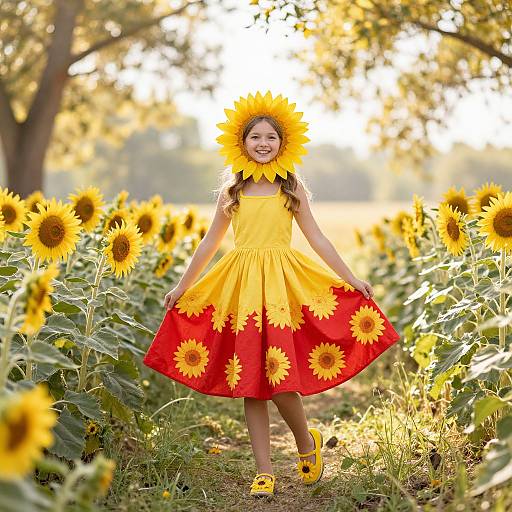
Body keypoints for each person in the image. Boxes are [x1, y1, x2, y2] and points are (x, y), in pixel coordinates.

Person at [143, 91, 400, 499]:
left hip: (282, 289)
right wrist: (182, 286)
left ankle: (304, 442)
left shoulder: (290, 188)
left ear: (283, 144)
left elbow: (317, 238)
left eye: (271, 138)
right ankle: (264, 471)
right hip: (241, 290)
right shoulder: (233, 193)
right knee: (250, 381)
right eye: (255, 138)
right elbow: (210, 243)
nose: (263, 143)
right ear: (241, 144)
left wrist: (350, 278)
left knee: (280, 379)